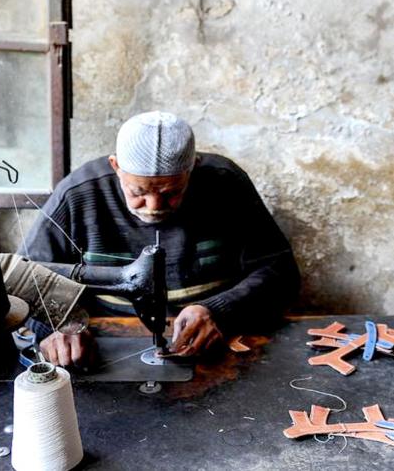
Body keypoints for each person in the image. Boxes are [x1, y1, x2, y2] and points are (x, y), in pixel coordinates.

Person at [23, 111, 300, 366]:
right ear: (116, 166)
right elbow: (26, 280)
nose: (154, 205)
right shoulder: (78, 194)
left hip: (216, 333)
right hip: (105, 335)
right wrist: (60, 327)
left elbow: (281, 273)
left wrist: (219, 310)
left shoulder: (226, 184)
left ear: (193, 168)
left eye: (170, 192)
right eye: (138, 191)